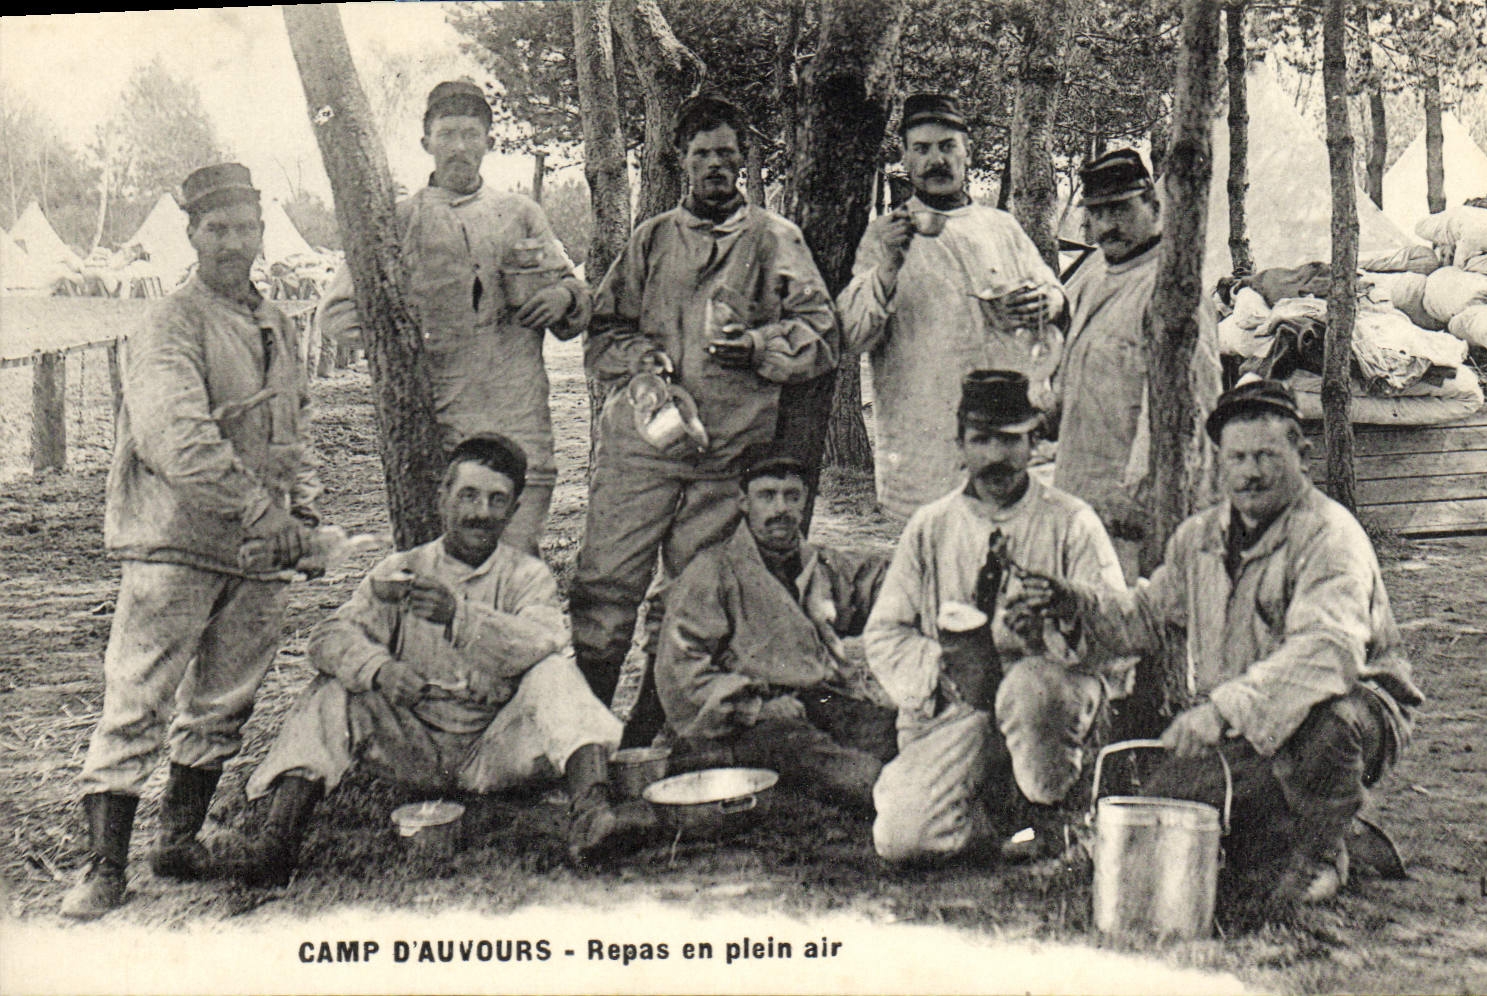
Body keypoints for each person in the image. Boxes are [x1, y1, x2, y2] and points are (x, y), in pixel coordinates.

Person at [1010, 379, 1424, 910]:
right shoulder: (1199, 538)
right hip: (1247, 723)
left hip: (1353, 711)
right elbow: (1143, 617)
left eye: (1267, 456)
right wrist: (1074, 604)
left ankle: (1320, 853)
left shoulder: (1330, 535)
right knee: (1169, 810)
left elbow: (1328, 653)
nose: (1251, 473)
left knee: (1331, 727)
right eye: (1238, 458)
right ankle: (1323, 828)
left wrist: (1222, 710)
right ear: (1220, 463)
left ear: (1301, 455)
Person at [61, 163, 324, 919]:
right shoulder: (169, 323)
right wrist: (258, 508)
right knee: (137, 697)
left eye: (245, 228)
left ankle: (178, 842)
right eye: (218, 230)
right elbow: (175, 437)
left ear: (262, 232)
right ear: (191, 235)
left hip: (257, 550)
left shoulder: (273, 320)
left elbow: (288, 430)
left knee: (223, 702)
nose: (233, 244)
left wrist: (299, 515)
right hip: (174, 541)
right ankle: (102, 866)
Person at [229, 435, 650, 886]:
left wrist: (461, 619)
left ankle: (593, 816)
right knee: (333, 689)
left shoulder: (526, 576)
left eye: (496, 500)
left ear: (512, 510)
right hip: (414, 745)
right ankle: (277, 840)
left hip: (496, 749)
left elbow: (545, 638)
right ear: (442, 497)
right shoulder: (403, 569)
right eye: (467, 495)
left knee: (553, 672)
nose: (480, 513)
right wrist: (380, 670)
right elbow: (328, 638)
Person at [571, 95, 837, 748]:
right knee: (605, 588)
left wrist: (758, 346)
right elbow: (604, 329)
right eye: (701, 154)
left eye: (726, 154)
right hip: (641, 451)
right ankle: (579, 732)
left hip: (727, 458)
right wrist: (644, 362)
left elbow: (822, 333)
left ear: (743, 163)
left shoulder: (777, 240)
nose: (715, 166)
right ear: (680, 162)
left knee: (691, 600)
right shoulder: (652, 239)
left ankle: (647, 734)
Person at [864, 370, 1129, 864]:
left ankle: (1055, 808)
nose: (994, 458)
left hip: (1046, 701)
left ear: (1033, 442)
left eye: (1010, 441)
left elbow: (1120, 623)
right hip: (958, 705)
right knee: (904, 838)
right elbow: (885, 632)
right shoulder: (932, 526)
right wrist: (940, 668)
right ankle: (997, 824)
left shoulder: (1070, 520)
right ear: (959, 445)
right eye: (981, 440)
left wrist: (1064, 612)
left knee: (1029, 690)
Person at [317, 80, 590, 554]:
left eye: (470, 133)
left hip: (519, 412)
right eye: (447, 135)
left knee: (517, 554)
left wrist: (563, 299)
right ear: (427, 144)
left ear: (488, 141)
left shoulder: (520, 214)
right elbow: (336, 314)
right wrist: (411, 338)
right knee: (454, 560)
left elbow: (572, 294)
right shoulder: (400, 220)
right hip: (444, 422)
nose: (459, 146)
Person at [840, 93, 1066, 522]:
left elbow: (1053, 295)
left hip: (1002, 433)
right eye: (922, 149)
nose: (935, 160)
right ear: (905, 158)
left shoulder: (1001, 227)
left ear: (968, 152)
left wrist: (1046, 301)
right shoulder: (883, 237)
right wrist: (887, 269)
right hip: (922, 441)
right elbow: (853, 336)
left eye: (947, 146)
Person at [653, 447, 896, 812]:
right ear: (743, 502)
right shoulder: (713, 572)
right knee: (858, 775)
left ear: (804, 503)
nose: (781, 509)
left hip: (822, 701)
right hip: (752, 724)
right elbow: (681, 670)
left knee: (904, 740)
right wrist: (753, 708)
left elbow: (875, 584)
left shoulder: (817, 565)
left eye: (792, 496)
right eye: (767, 496)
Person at [1048, 148, 1221, 580]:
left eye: (1121, 209)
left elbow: (1193, 411)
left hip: (1135, 514)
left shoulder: (1172, 291)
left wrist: (1141, 502)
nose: (1107, 226)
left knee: (1136, 629)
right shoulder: (1094, 279)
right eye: (1097, 212)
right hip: (1081, 499)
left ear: (1154, 205)